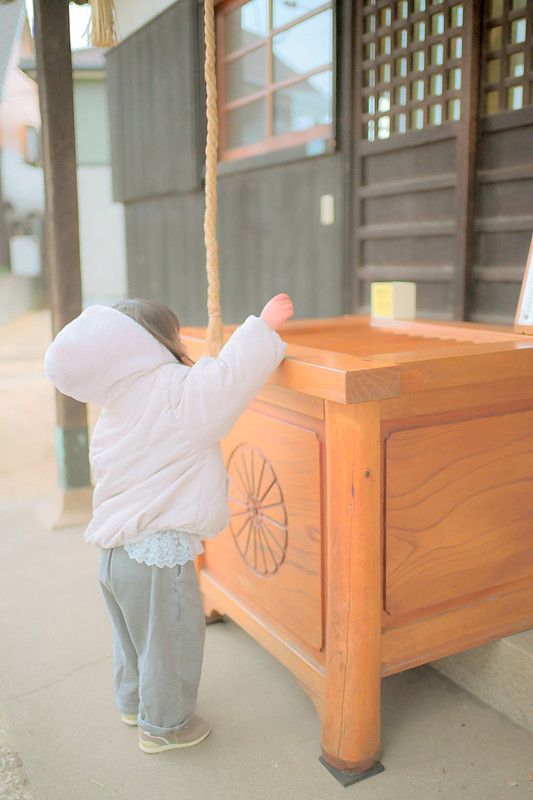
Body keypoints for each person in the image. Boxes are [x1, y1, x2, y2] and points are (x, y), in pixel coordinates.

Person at [44, 293, 294, 753]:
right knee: (170, 641)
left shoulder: (116, 403)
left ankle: (133, 704)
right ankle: (166, 726)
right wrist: (262, 326)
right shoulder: (174, 389)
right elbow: (226, 384)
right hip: (155, 556)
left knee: (133, 639)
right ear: (157, 343)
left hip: (114, 554)